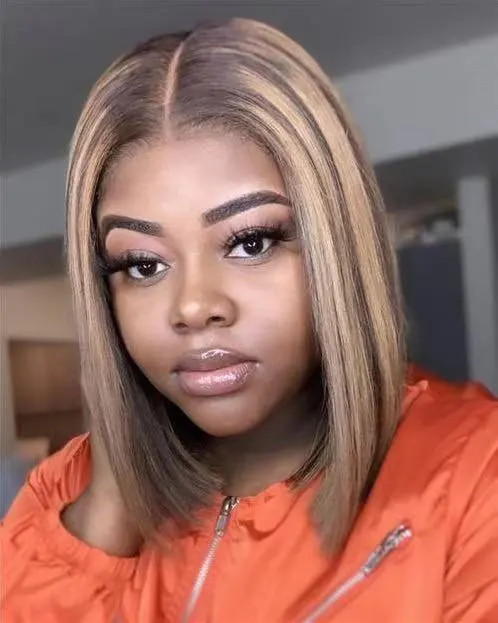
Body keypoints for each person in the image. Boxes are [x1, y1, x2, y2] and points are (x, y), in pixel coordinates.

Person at [2, 19, 497, 623]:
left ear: (336, 244)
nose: (192, 306)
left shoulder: (477, 473)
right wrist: (106, 509)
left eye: (250, 242)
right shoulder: (61, 492)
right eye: (143, 264)